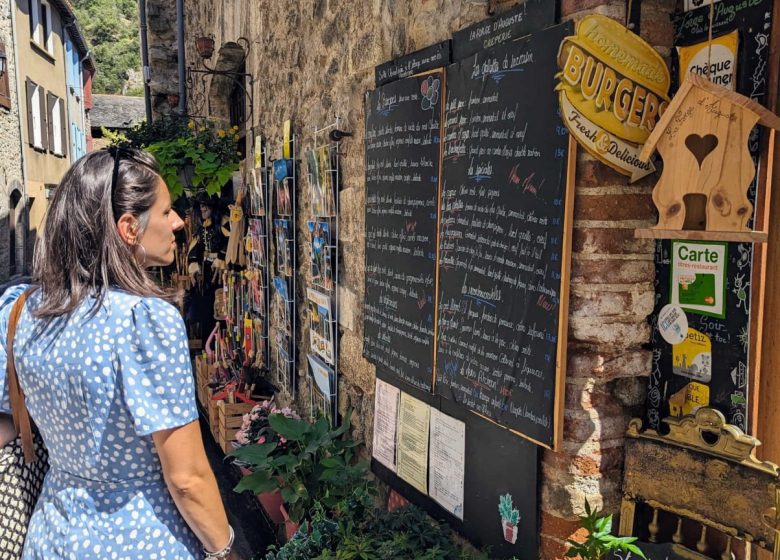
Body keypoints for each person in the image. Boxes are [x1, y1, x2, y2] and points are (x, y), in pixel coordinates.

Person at [0, 148, 241, 559]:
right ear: (129, 227)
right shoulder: (144, 322)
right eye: (167, 212)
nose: (179, 223)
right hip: (141, 540)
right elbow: (186, 479)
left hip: (53, 537)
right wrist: (225, 549)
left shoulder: (23, 311)